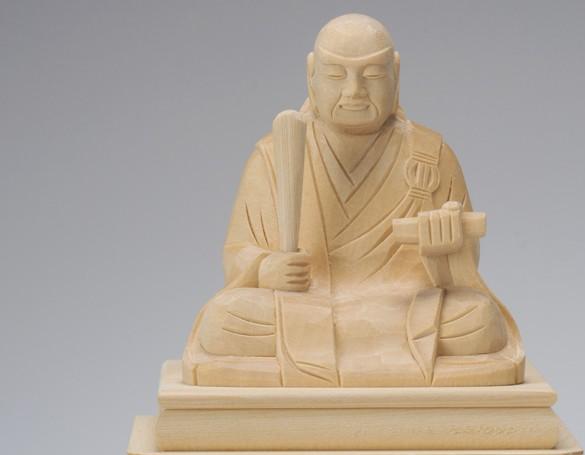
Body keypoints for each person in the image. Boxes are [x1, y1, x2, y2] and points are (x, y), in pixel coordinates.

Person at [185, 14, 523, 387]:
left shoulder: (431, 154)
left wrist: (442, 253)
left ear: (396, 73)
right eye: (336, 75)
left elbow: (462, 273)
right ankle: (374, 353)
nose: (354, 90)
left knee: (478, 320)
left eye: (372, 75)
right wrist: (265, 269)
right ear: (311, 74)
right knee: (224, 319)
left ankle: (330, 350)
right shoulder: (274, 155)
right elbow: (237, 250)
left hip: (401, 305)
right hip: (307, 304)